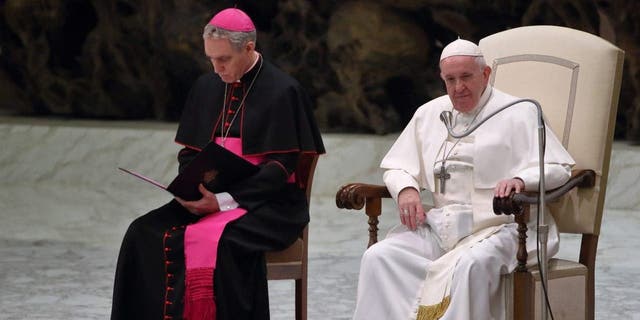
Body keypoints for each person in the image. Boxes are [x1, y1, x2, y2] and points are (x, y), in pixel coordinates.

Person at [111, 8, 325, 320]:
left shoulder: (284, 91)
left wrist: (225, 201)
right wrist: (194, 189)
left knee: (221, 244)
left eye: (223, 59)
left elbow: (282, 167)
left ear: (248, 48)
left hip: (267, 205)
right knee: (142, 232)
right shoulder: (207, 86)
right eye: (211, 58)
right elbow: (189, 154)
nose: (216, 68)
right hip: (209, 197)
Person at [351, 39, 575, 319]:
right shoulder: (430, 113)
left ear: (485, 74)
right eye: (450, 80)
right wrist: (407, 189)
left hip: (504, 227)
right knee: (379, 257)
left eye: (466, 77)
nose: (459, 88)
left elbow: (559, 168)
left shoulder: (521, 112)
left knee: (471, 265)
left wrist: (522, 178)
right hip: (443, 226)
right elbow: (397, 166)